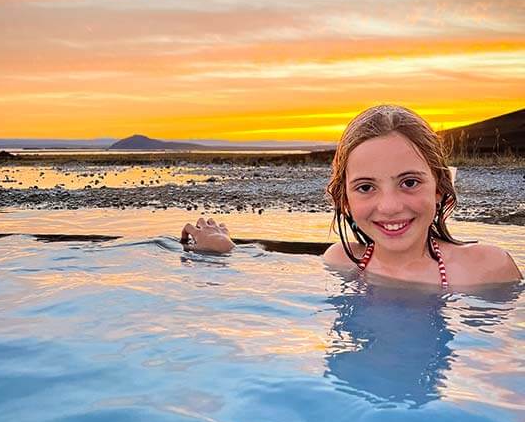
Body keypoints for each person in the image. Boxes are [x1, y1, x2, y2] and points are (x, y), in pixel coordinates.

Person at [180, 105, 522, 287]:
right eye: (365, 187)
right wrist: (225, 254)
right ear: (344, 199)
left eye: (409, 182)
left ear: (440, 187)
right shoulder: (340, 262)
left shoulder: (487, 268)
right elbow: (270, 281)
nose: (389, 206)